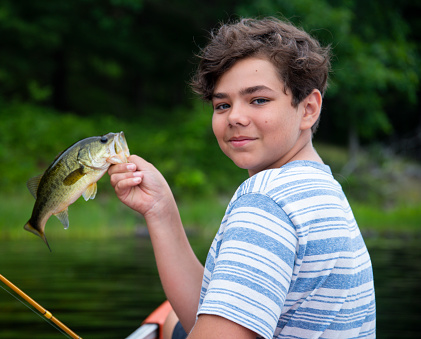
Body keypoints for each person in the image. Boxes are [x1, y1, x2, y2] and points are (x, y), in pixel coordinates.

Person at [109, 17, 376, 339]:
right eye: (222, 104)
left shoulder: (268, 201)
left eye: (258, 100)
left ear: (308, 109)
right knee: (172, 324)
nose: (235, 117)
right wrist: (161, 210)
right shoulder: (319, 188)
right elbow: (208, 316)